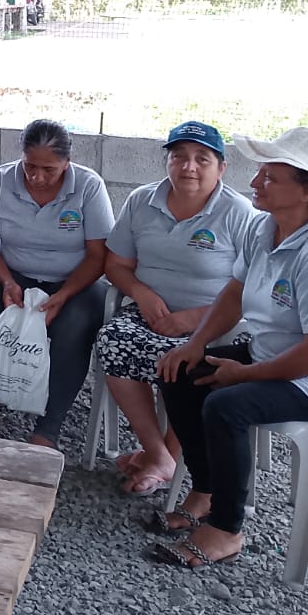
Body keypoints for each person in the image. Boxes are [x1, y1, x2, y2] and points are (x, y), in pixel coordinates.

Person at [150, 127, 308, 570]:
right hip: (271, 355)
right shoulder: (266, 227)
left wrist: (245, 374)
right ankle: (207, 490)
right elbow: (235, 291)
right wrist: (195, 344)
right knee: (178, 371)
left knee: (227, 405)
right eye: (260, 173)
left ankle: (226, 529)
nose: (255, 183)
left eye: (270, 177)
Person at [96, 120, 261, 494]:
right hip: (151, 315)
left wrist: (195, 319)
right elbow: (116, 264)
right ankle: (160, 455)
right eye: (179, 157)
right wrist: (141, 293)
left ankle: (168, 456)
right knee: (112, 340)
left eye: (202, 159)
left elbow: (254, 290)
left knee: (187, 363)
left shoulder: (239, 214)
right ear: (167, 162)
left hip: (218, 324)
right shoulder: (142, 201)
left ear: (221, 168)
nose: (189, 167)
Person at [0, 118, 114, 448]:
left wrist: (65, 294)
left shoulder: (88, 186)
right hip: (13, 274)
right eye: (30, 166)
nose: (37, 177)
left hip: (75, 281)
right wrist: (5, 282)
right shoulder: (0, 180)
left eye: (49, 169)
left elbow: (98, 255)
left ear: (67, 163)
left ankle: (47, 430)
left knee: (75, 325)